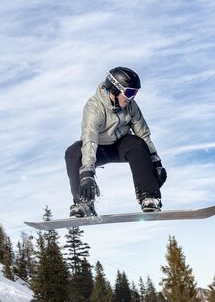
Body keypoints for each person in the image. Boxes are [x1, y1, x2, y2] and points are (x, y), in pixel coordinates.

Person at [64, 67, 167, 217]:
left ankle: (149, 197)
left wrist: (156, 163)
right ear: (115, 89)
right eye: (129, 93)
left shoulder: (131, 106)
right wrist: (87, 174)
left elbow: (143, 133)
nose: (131, 98)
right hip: (99, 148)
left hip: (121, 145)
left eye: (135, 93)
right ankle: (84, 203)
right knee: (73, 152)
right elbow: (90, 140)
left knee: (137, 144)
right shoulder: (94, 108)